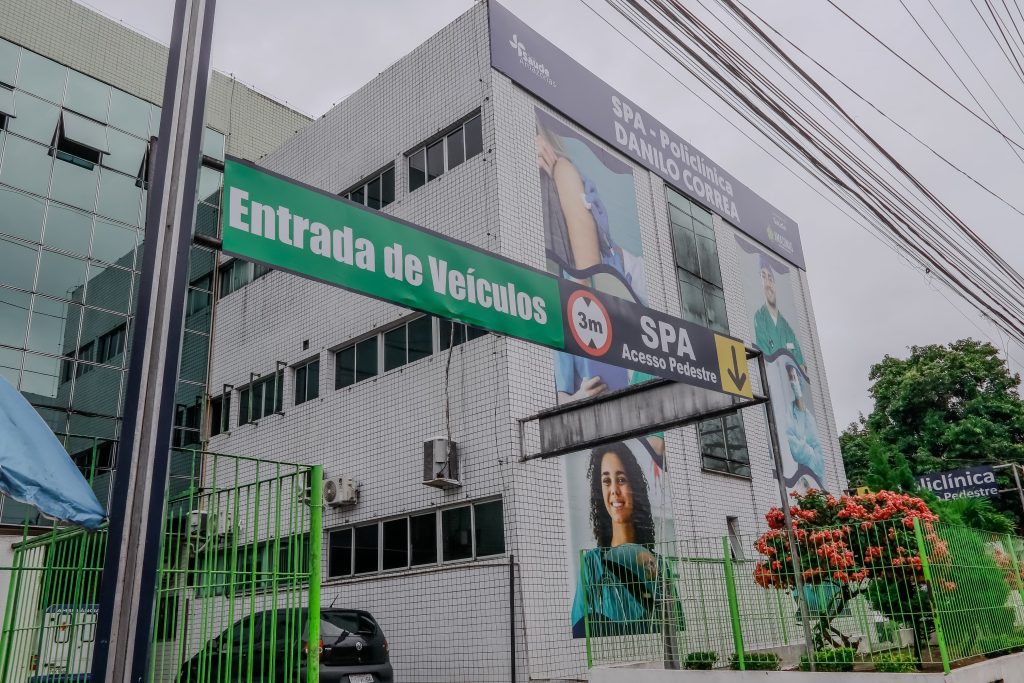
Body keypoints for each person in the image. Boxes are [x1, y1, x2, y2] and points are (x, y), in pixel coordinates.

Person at [536, 115, 647, 403]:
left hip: (610, 321)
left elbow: (587, 274)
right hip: (597, 326)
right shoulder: (556, 301)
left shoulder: (563, 171)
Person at [571, 442, 662, 637]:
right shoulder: (592, 563)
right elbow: (580, 626)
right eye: (606, 481)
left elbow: (673, 619)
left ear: (634, 486)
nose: (613, 490)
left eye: (621, 479)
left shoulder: (659, 564)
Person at [753, 254, 805, 371]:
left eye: (770, 279)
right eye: (763, 277)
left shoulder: (787, 329)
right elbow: (766, 365)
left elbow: (801, 367)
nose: (767, 284)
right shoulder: (760, 319)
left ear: (775, 284)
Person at [783, 358, 825, 490]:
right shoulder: (788, 412)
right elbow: (795, 448)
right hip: (800, 477)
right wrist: (806, 448)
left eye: (795, 376)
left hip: (815, 479)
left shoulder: (809, 417)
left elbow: (818, 457)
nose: (794, 381)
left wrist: (805, 447)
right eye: (791, 377)